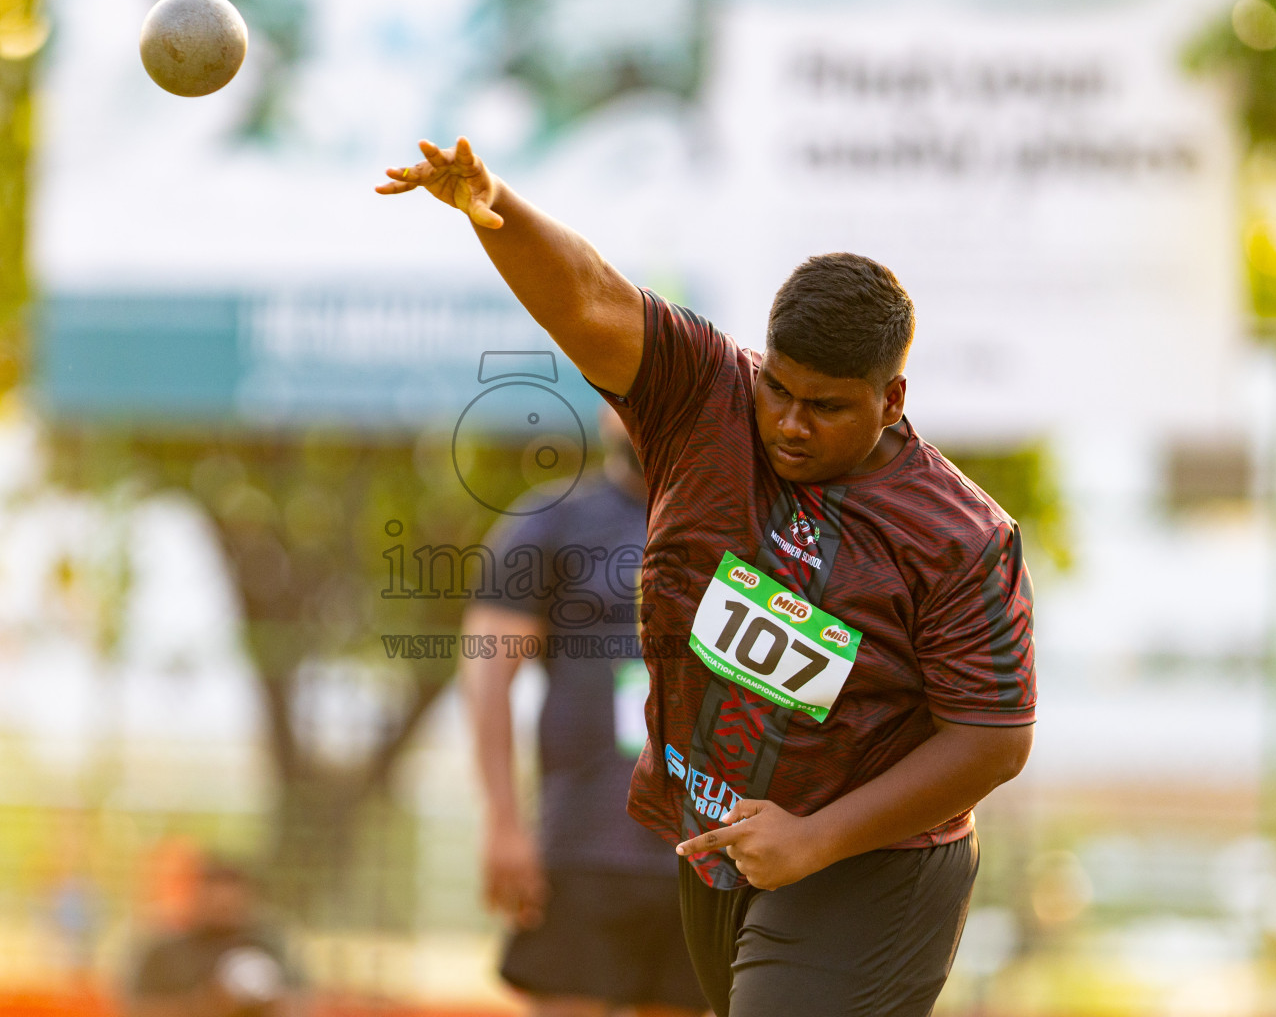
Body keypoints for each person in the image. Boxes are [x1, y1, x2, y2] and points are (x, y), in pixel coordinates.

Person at [378, 138, 1036, 1017]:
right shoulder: (708, 398)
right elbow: (590, 295)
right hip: (714, 844)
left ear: (893, 399)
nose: (792, 425)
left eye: (829, 406)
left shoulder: (961, 538)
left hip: (875, 868)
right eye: (781, 391)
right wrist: (496, 205)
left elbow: (994, 738)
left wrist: (814, 839)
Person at [460, 405, 709, 1017]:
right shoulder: (552, 521)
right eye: (624, 399)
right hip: (585, 842)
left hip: (705, 847)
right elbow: (487, 675)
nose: (640, 415)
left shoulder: (737, 524)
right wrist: (502, 820)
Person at [124, 857, 301, 1017]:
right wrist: (203, 1006)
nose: (224, 907)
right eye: (216, 900)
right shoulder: (165, 952)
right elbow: (135, 1009)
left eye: (230, 904)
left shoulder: (269, 946)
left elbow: (301, 1004)